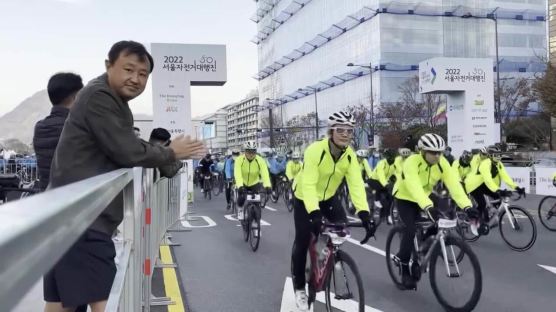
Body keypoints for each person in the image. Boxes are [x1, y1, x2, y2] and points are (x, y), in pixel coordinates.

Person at [45, 40, 206, 312]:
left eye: (143, 74)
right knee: (108, 303)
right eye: (128, 69)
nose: (136, 79)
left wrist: (168, 158)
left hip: (69, 215)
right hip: (83, 220)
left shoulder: (112, 100)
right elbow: (127, 150)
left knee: (61, 303)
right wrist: (172, 154)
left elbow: (125, 149)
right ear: (109, 66)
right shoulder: (99, 96)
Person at [290, 111, 375, 311]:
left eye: (349, 131)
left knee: (341, 229)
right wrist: (314, 213)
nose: (345, 134)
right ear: (331, 131)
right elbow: (309, 184)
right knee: (302, 239)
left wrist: (364, 213)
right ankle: (300, 287)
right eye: (340, 130)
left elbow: (355, 184)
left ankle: (325, 257)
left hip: (328, 197)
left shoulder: (350, 155)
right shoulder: (315, 150)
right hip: (305, 197)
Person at [393, 133, 475, 290]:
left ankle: (424, 244)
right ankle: (403, 265)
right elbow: (414, 187)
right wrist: (428, 207)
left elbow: (454, 185)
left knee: (445, 214)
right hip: (405, 196)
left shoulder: (442, 163)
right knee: (410, 229)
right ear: (423, 151)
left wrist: (467, 206)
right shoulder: (412, 162)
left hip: (425, 195)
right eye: (433, 152)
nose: (437, 156)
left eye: (440, 152)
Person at [33, 72, 83, 191]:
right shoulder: (77, 126)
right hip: (74, 198)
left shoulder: (40, 127)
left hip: (48, 196)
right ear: (76, 97)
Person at [464, 145, 525, 233]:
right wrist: (498, 190)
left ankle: (489, 219)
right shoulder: (485, 164)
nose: (499, 157)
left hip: (481, 184)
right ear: (490, 156)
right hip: (472, 185)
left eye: (500, 155)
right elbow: (488, 180)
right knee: (482, 203)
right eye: (496, 155)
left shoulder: (498, 163)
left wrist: (517, 188)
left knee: (497, 197)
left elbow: (506, 177)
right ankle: (473, 222)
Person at [234, 141, 272, 220]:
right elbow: (238, 174)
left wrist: (267, 185)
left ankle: (256, 221)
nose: (251, 154)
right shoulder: (239, 160)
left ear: (256, 151)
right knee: (241, 197)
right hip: (243, 182)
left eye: (253, 151)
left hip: (254, 182)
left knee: (256, 202)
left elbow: (265, 174)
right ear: (245, 151)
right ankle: (240, 209)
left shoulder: (260, 160)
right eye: (249, 151)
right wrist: (240, 186)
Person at [367, 148, 397, 220]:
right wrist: (386, 184)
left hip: (384, 182)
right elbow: (381, 175)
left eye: (393, 157)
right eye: (389, 157)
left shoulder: (394, 164)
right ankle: (376, 199)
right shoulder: (381, 163)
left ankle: (387, 215)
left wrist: (397, 181)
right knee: (379, 187)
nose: (391, 159)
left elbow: (397, 173)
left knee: (390, 198)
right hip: (374, 180)